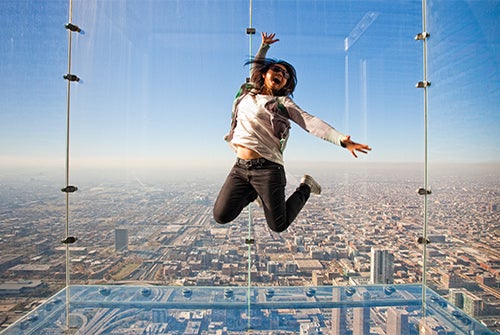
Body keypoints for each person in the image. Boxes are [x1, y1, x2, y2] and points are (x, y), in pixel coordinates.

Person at [213, 32, 371, 233]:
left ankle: (306, 187)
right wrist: (264, 47)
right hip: (240, 167)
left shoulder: (281, 103)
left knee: (278, 225)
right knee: (221, 215)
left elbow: (309, 121)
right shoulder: (246, 93)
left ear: (286, 84)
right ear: (264, 73)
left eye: (285, 75)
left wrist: (340, 140)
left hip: (268, 169)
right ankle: (253, 193)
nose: (281, 75)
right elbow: (256, 66)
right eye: (277, 70)